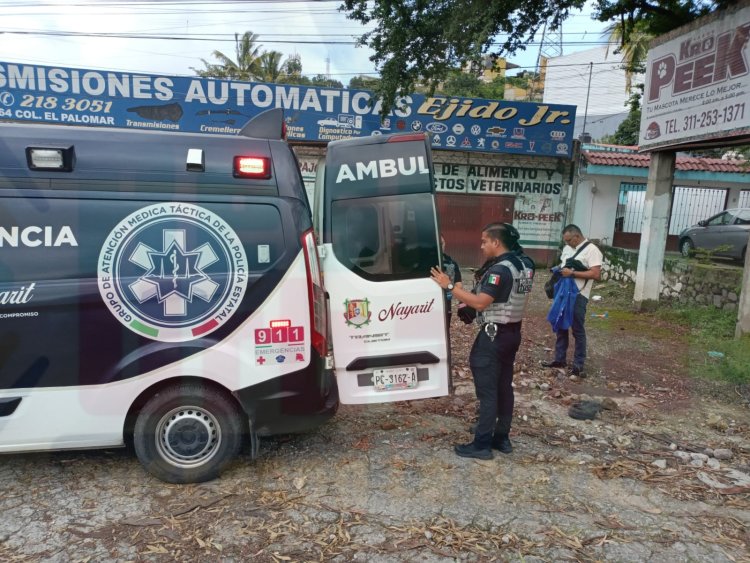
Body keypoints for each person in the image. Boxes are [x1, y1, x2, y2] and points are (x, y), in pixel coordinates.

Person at [430, 222, 534, 460]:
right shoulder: (524, 265)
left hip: (494, 334)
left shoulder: (500, 270)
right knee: (503, 387)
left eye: (485, 241)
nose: (482, 245)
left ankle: (482, 444)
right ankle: (501, 437)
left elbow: (480, 303)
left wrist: (447, 285)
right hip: (512, 331)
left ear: (496, 242)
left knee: (487, 391)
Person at [541, 224, 603, 377]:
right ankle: (559, 359)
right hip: (563, 291)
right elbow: (564, 265)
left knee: (577, 329)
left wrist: (573, 273)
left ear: (577, 236)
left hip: (579, 294)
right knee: (560, 324)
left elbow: (596, 274)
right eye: (565, 241)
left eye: (569, 240)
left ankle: (578, 364)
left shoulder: (592, 250)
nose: (567, 243)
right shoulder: (568, 249)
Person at [440, 235, 463, 331]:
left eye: (442, 243)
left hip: (446, 302)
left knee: (445, 329)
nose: (441, 246)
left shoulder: (451, 263)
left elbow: (459, 284)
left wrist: (449, 286)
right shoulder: (424, 263)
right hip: (427, 303)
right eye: (438, 244)